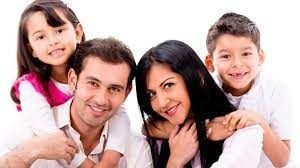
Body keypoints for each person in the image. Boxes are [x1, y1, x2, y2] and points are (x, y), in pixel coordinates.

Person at [9, 0, 130, 166]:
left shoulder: (93, 72)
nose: (52, 41)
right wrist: (86, 165)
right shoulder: (29, 88)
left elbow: (120, 114)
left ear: (78, 33)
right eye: (41, 37)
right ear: (32, 50)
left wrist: (109, 161)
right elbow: (52, 138)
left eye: (59, 30)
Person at [1, 38, 153, 167]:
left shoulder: (136, 148)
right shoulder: (29, 131)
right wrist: (28, 153)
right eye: (93, 83)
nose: (101, 99)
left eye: (114, 88)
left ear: (126, 93)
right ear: (73, 80)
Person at [135, 40, 263, 168]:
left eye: (168, 85)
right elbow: (146, 127)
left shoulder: (243, 134)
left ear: (198, 77)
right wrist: (176, 160)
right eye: (152, 94)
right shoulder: (155, 139)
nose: (162, 103)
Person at [204, 12, 292, 167]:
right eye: (226, 56)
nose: (237, 63)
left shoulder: (275, 90)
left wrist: (259, 123)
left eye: (246, 54)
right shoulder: (205, 90)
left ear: (260, 57)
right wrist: (207, 130)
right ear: (210, 63)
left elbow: (282, 160)